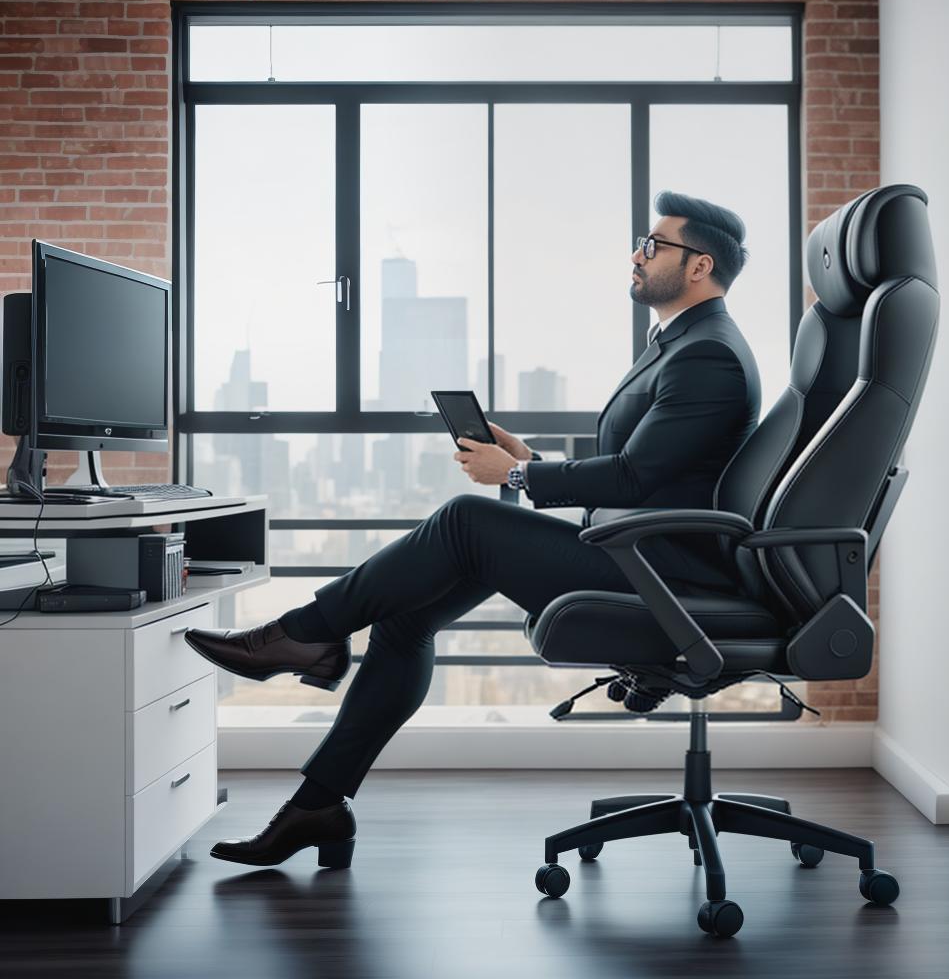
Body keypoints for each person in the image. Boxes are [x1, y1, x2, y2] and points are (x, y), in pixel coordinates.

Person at [185, 191, 762, 869]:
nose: (636, 256)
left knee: (465, 519)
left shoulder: (709, 356)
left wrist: (517, 481)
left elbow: (636, 478)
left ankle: (304, 635)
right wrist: (528, 464)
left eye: (652, 245)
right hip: (633, 550)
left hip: (664, 574)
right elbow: (655, 473)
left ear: (699, 266)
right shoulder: (682, 345)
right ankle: (317, 806)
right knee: (404, 621)